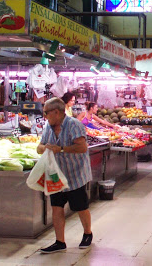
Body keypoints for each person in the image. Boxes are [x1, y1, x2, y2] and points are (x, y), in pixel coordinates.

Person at [38, 98, 93, 253]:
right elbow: (39, 147)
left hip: (75, 174)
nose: (45, 116)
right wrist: (45, 148)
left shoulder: (74, 125)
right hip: (56, 174)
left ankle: (88, 233)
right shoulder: (48, 127)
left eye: (46, 112)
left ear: (57, 112)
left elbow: (82, 147)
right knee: (56, 207)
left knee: (80, 207)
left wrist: (61, 149)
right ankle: (60, 241)